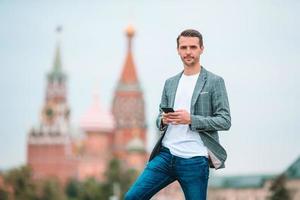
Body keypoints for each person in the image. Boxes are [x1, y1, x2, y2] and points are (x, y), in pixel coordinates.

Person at [125, 29, 231, 200]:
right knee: (132, 197)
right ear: (178, 50)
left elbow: (225, 120)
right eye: (183, 47)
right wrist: (163, 120)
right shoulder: (170, 83)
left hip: (195, 160)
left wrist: (191, 119)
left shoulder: (214, 82)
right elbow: (159, 117)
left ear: (201, 49)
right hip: (165, 156)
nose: (188, 52)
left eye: (193, 47)